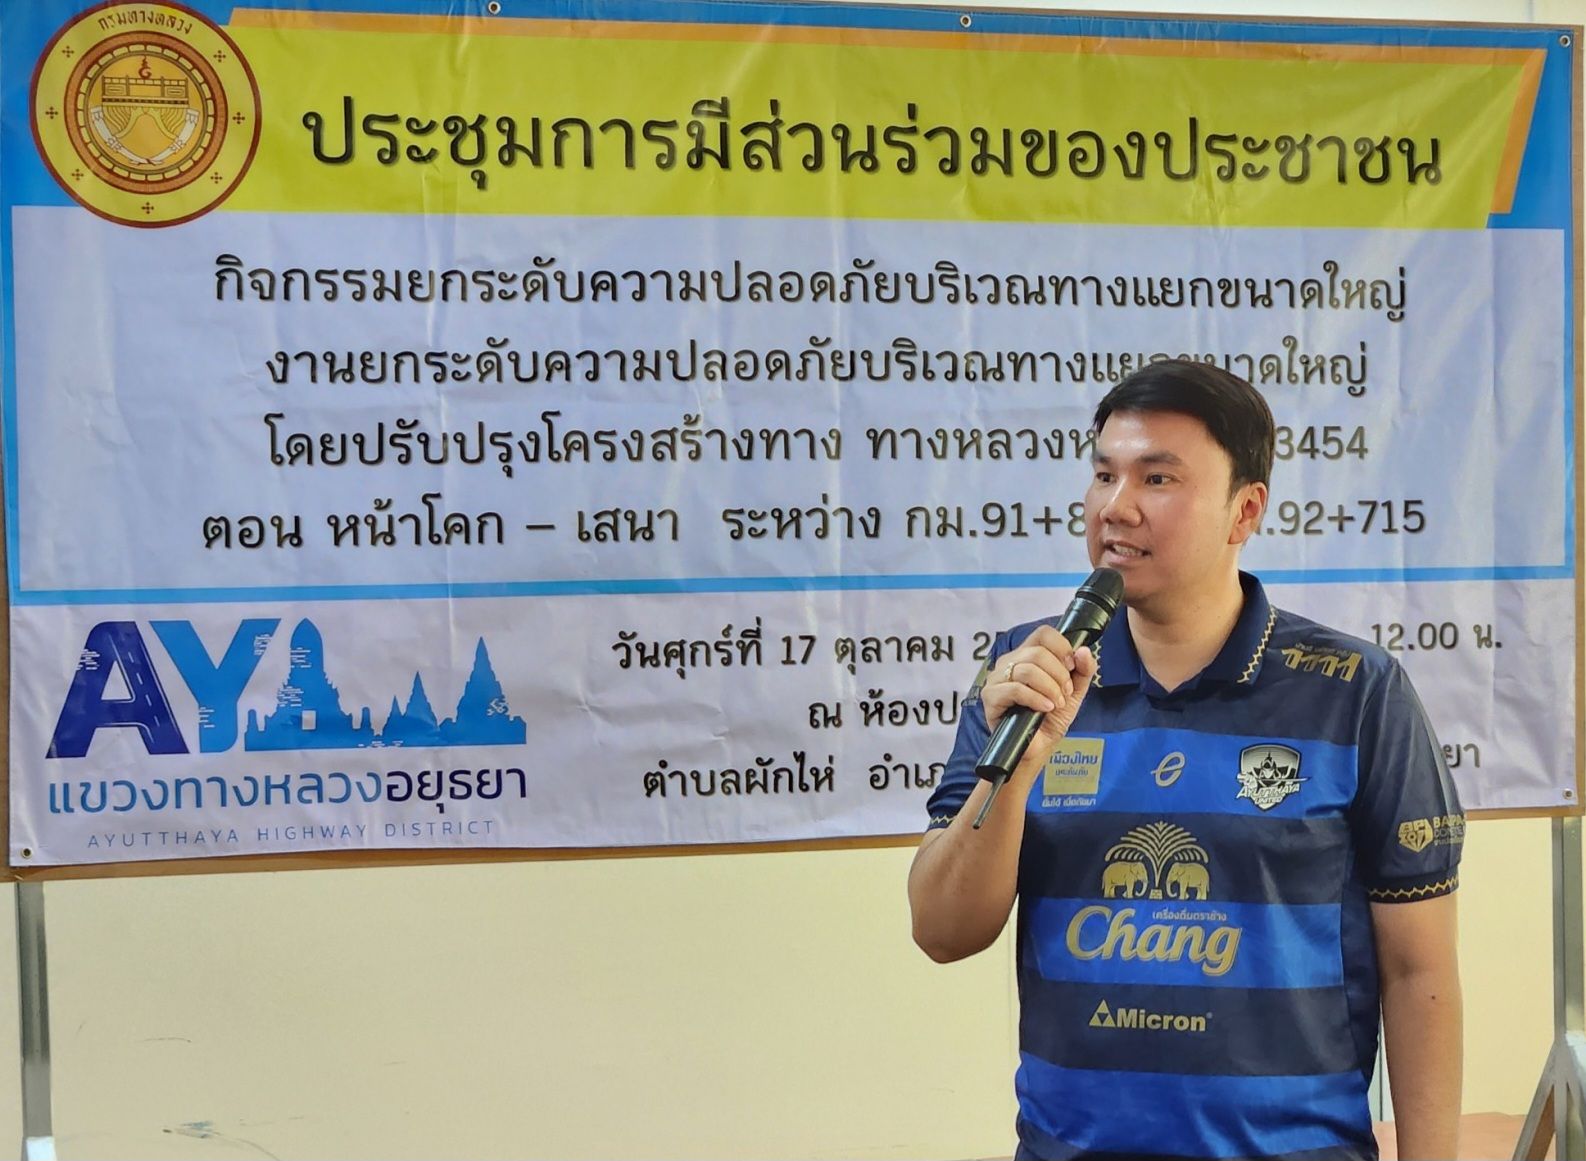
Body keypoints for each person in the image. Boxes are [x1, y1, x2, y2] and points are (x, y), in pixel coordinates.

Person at [908, 359, 1463, 1161]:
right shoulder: (1025, 675)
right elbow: (941, 929)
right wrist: (1020, 769)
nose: (1116, 506)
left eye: (1157, 477)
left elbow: (1419, 974)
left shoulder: (1354, 690)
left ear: (1246, 510)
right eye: (1105, 474)